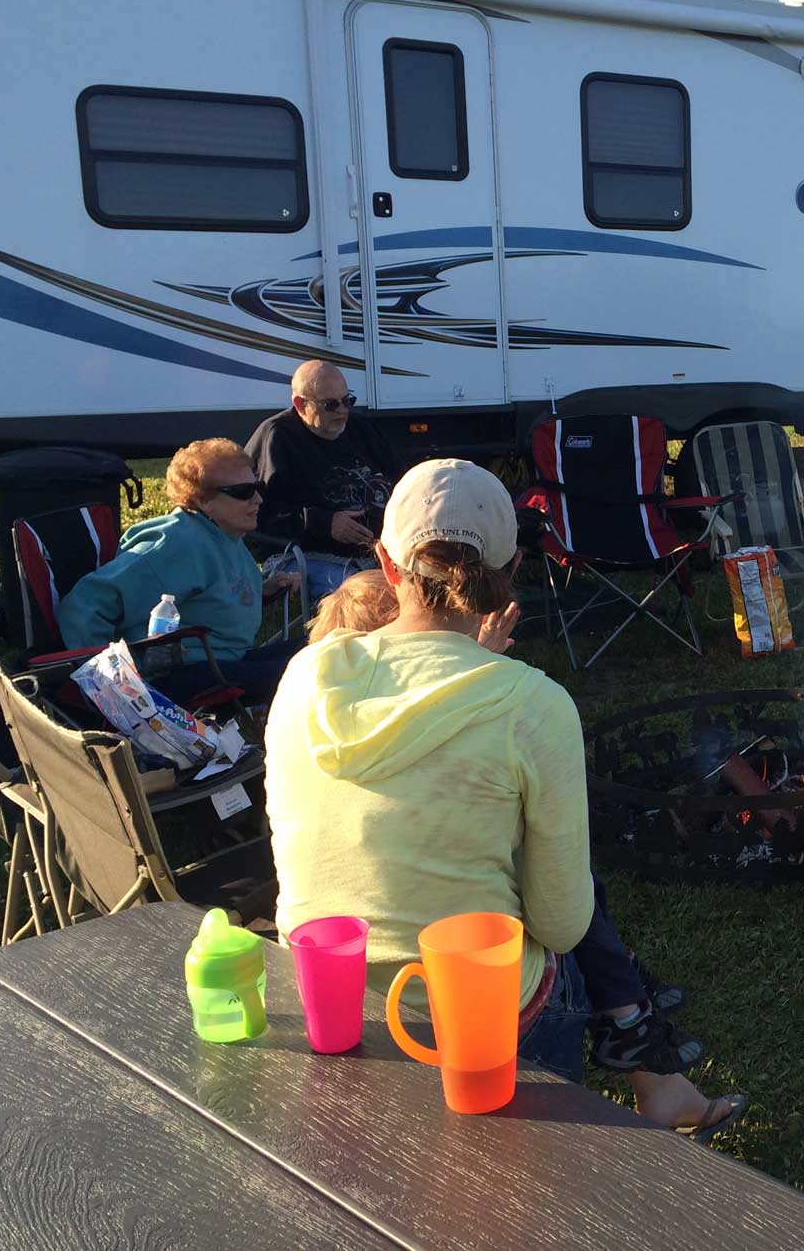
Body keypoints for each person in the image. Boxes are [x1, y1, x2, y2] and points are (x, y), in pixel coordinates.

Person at [266, 460, 744, 1138]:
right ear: (513, 566)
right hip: (472, 1025)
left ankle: (655, 1078)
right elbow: (561, 923)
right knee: (555, 939)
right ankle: (626, 1090)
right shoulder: (533, 705)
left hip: (323, 1000)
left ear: (385, 562)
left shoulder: (307, 673)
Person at [306, 571, 702, 1073]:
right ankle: (628, 1017)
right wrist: (478, 663)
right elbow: (556, 922)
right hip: (467, 1004)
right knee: (561, 889)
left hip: (340, 990)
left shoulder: (311, 705)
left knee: (565, 883)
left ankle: (632, 1021)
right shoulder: (491, 704)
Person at [57, 439, 301, 703]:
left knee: (332, 644)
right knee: (313, 669)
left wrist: (264, 590)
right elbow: (85, 602)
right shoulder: (177, 544)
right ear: (202, 500)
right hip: (183, 674)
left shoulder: (225, 534)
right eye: (243, 491)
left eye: (257, 487)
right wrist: (108, 685)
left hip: (229, 660)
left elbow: (213, 595)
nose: (258, 499)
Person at [246, 360, 401, 600]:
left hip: (379, 550)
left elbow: (402, 482)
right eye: (330, 405)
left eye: (347, 401)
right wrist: (324, 523)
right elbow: (257, 520)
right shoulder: (277, 438)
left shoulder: (363, 429)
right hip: (308, 553)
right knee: (364, 597)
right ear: (300, 404)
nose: (342, 411)